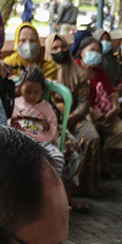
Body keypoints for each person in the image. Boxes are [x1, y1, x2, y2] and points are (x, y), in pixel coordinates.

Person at [48, 32, 102, 198]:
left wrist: (71, 118)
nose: (60, 50)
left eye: (63, 46)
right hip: (49, 117)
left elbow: (84, 104)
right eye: (55, 48)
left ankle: (83, 187)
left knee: (91, 138)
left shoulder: (79, 74)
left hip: (74, 116)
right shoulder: (45, 70)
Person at [76, 36, 122, 171]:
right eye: (92, 50)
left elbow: (111, 92)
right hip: (82, 110)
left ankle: (100, 161)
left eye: (98, 51)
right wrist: (91, 111)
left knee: (121, 128)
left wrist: (115, 108)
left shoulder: (99, 72)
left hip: (101, 111)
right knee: (93, 135)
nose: (95, 53)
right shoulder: (75, 67)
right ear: (82, 52)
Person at [8, 66, 65, 176]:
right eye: (27, 92)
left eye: (36, 92)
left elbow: (54, 134)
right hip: (20, 141)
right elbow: (5, 128)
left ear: (42, 91)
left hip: (42, 144)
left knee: (57, 158)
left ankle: (51, 187)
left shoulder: (47, 108)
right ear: (19, 88)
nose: (31, 96)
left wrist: (46, 126)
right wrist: (13, 120)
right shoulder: (14, 104)